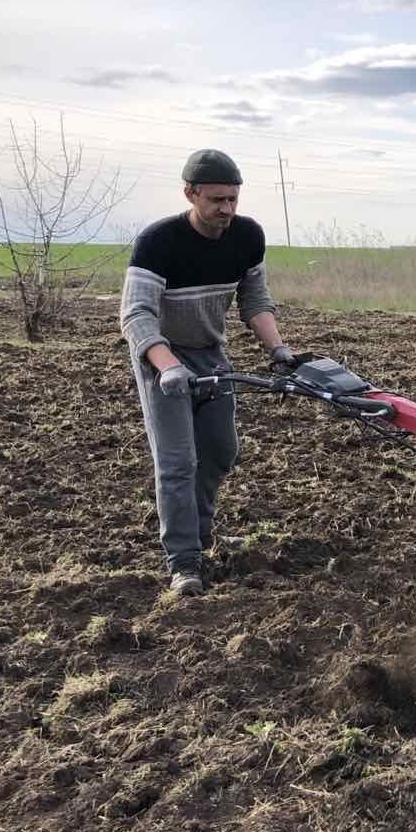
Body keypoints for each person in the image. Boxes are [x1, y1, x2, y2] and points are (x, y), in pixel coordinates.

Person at [120, 149, 297, 596]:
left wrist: (279, 349)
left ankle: (201, 533)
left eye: (233, 200)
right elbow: (136, 315)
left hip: (210, 354)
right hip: (163, 357)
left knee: (220, 450)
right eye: (217, 200)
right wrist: (167, 366)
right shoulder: (159, 242)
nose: (227, 210)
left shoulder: (246, 237)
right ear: (190, 194)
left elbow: (254, 301)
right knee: (178, 463)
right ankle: (184, 562)